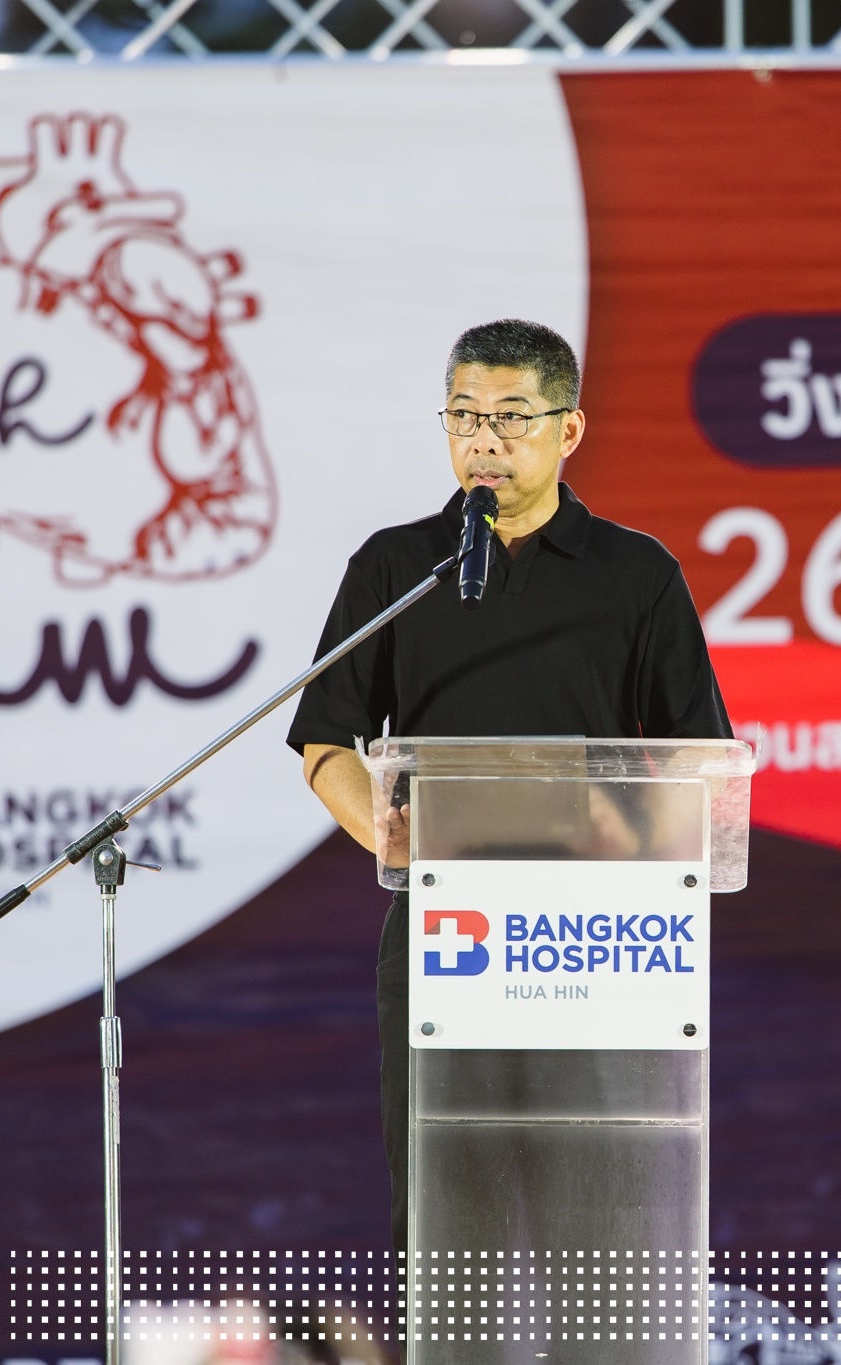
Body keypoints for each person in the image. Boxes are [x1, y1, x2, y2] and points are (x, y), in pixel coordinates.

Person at [284, 318, 732, 1251]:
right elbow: (325, 738)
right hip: (449, 931)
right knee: (447, 1220)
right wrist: (380, 829)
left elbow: (698, 759)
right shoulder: (398, 568)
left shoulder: (636, 573)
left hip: (594, 937)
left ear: (568, 430)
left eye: (510, 417)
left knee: (599, 1224)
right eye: (463, 416)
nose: (483, 440)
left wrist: (636, 830)